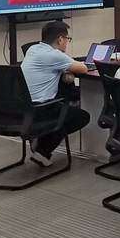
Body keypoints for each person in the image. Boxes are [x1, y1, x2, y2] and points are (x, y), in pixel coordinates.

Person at [20, 21, 90, 167]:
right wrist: (69, 70)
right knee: (81, 117)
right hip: (39, 109)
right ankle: (43, 151)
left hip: (21, 107)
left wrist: (66, 70)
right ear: (60, 39)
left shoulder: (33, 49)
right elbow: (83, 69)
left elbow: (51, 66)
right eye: (68, 39)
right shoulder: (55, 55)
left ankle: (41, 142)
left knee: (66, 95)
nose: (67, 42)